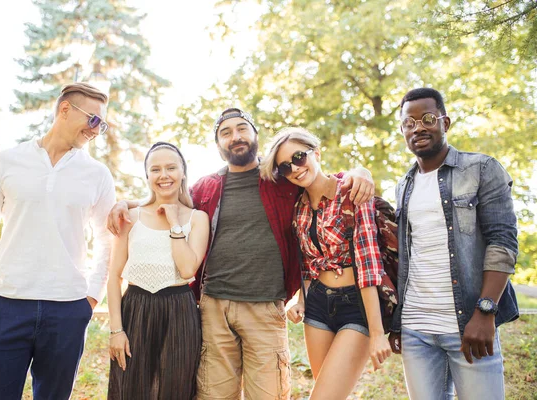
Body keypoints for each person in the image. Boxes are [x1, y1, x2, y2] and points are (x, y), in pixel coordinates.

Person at [107, 108, 375, 399]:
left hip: (265, 309)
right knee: (214, 395)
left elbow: (316, 179)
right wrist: (127, 203)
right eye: (226, 133)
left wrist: (358, 173)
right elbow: (169, 199)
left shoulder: (282, 180)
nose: (235, 137)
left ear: (255, 135)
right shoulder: (207, 187)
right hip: (214, 309)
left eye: (242, 129)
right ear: (219, 145)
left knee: (268, 395)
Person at [0, 82, 116, 399]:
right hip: (7, 307)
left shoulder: (97, 175)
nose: (97, 130)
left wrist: (90, 298)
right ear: (65, 109)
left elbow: (108, 241)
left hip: (67, 312)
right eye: (93, 120)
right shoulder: (6, 161)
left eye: (102, 124)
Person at [388, 88, 519, 400]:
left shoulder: (482, 169)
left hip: (469, 326)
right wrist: (397, 322)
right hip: (416, 329)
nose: (418, 127)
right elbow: (405, 259)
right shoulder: (402, 186)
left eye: (428, 119)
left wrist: (485, 311)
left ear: (445, 122)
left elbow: (503, 243)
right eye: (409, 123)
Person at [260, 127, 392, 399]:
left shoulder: (351, 192)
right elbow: (309, 264)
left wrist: (378, 332)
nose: (295, 168)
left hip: (355, 305)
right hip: (318, 306)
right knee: (328, 392)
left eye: (299, 157)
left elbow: (368, 265)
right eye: (285, 167)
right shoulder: (299, 208)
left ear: (316, 153)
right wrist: (301, 301)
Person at [107, 142, 209, 400]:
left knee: (175, 390)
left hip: (179, 311)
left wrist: (175, 222)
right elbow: (114, 277)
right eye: (156, 169)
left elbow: (187, 269)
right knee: (132, 388)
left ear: (183, 172)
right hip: (134, 310)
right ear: (148, 176)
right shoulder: (130, 217)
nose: (164, 175)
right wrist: (116, 331)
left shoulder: (197, 218)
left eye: (171, 168)